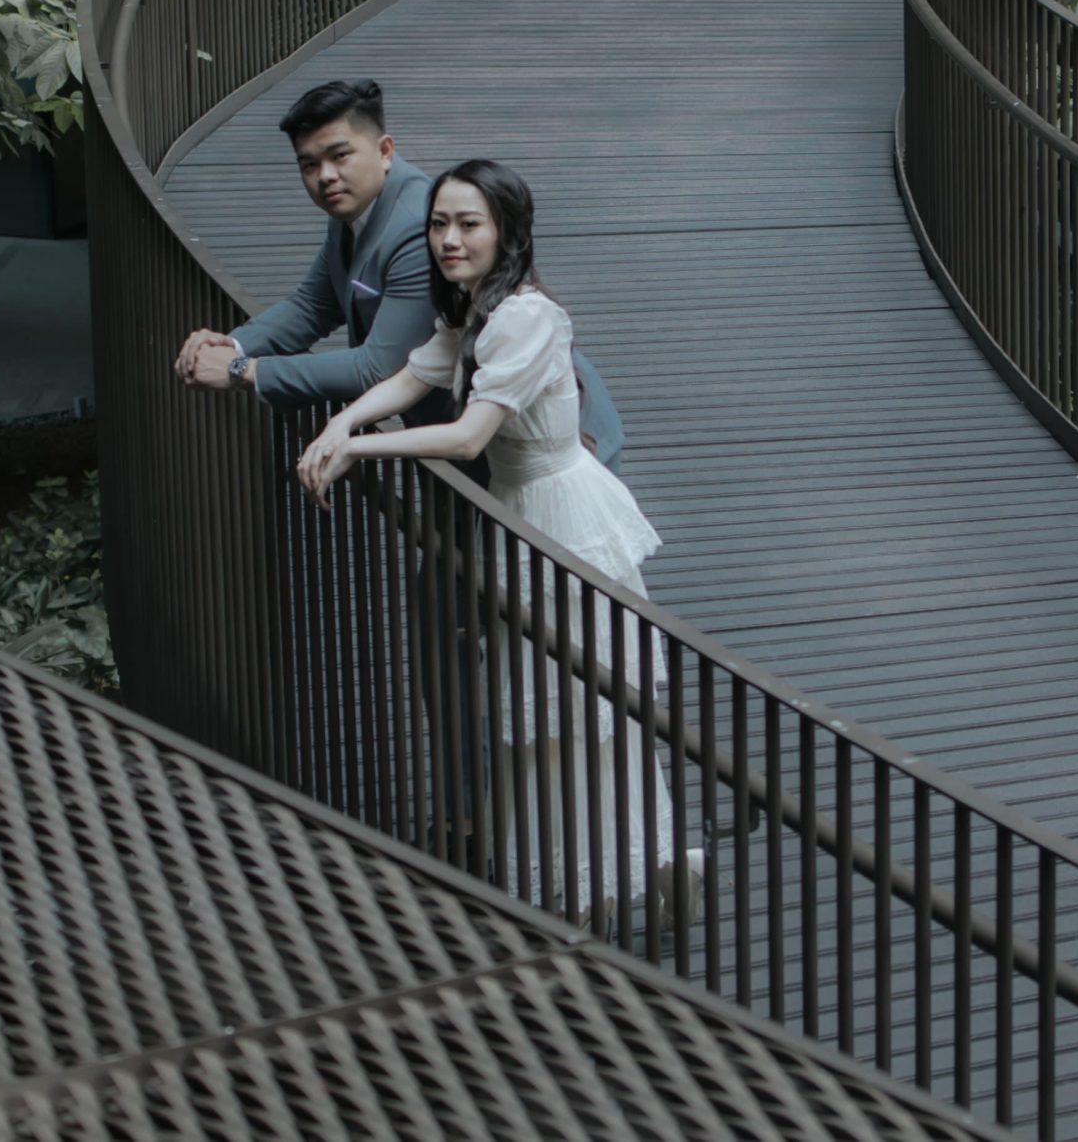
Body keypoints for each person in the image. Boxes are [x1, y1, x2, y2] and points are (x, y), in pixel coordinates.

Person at [295, 159, 701, 928]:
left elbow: (467, 436)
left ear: (506, 231)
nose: (449, 239)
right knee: (553, 718)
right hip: (524, 514)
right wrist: (342, 421)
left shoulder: (525, 316)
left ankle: (616, 885)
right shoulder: (479, 309)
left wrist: (357, 448)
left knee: (580, 713)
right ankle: (642, 873)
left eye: (468, 224)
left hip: (563, 520)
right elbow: (416, 376)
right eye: (438, 224)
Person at [173, 78, 625, 468]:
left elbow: (375, 367)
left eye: (339, 156)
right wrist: (231, 344)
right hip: (470, 434)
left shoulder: (415, 226)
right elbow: (314, 304)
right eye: (309, 165)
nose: (325, 176)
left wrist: (243, 370)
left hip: (547, 440)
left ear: (384, 150)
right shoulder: (355, 207)